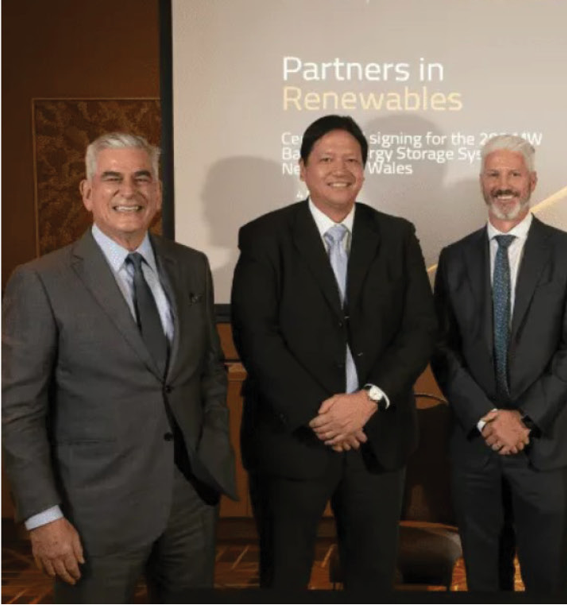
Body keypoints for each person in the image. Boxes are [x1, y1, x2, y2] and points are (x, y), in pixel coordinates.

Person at [2, 133, 238, 602]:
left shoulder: (190, 266)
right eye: (112, 178)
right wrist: (44, 516)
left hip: (189, 501)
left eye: (141, 177)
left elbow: (209, 370)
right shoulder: (40, 281)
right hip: (93, 511)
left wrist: (210, 452)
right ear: (88, 193)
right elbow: (17, 411)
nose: (128, 191)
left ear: (157, 193)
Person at [231, 114, 436, 591]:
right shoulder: (265, 237)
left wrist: (365, 401)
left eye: (352, 160)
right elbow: (255, 336)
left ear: (364, 170)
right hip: (292, 439)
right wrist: (323, 414)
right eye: (326, 159)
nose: (339, 169)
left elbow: (420, 328)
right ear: (302, 168)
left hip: (376, 437)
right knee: (284, 581)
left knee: (372, 581)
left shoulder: (397, 235)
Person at [431, 135, 567, 593]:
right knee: (485, 584)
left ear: (532, 181)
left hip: (547, 446)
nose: (504, 185)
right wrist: (488, 418)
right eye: (494, 175)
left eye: (514, 174)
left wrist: (522, 419)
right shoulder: (454, 258)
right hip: (475, 449)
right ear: (482, 183)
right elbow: (441, 349)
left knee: (548, 583)